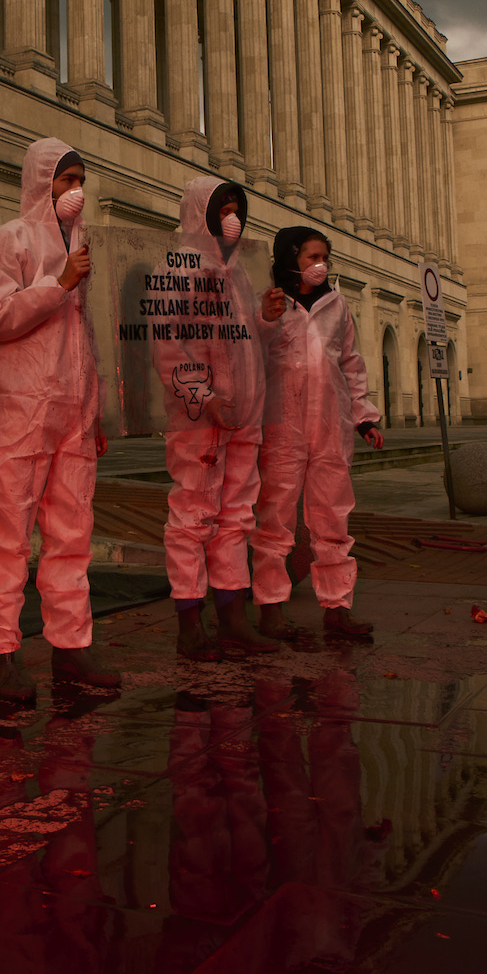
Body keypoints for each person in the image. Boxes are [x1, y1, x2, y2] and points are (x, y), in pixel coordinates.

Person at [0, 138, 121, 704]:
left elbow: (86, 339)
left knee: (72, 537)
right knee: (7, 537)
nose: (74, 189)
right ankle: (1, 655)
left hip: (71, 419)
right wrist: (59, 285)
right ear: (40, 182)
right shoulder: (6, 241)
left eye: (80, 178)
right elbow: (0, 317)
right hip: (21, 413)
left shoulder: (80, 248)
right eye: (65, 178)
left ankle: (71, 648)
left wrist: (96, 409)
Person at [156, 180, 277, 661]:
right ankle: (190, 625)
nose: (233, 219)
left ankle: (232, 617)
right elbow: (168, 346)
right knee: (191, 518)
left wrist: (265, 319)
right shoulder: (181, 267)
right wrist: (204, 397)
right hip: (200, 421)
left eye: (237, 210)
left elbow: (247, 342)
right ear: (201, 214)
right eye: (223, 210)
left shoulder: (239, 274)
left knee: (236, 519)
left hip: (243, 416)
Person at [251, 226, 383, 638]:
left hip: (330, 426)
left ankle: (337, 607)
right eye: (311, 257)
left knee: (333, 518)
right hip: (281, 425)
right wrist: (265, 319)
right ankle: (271, 608)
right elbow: (250, 352)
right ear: (291, 259)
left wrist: (364, 417)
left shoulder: (338, 305)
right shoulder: (269, 302)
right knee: (275, 518)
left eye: (324, 256)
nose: (319, 264)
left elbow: (350, 363)